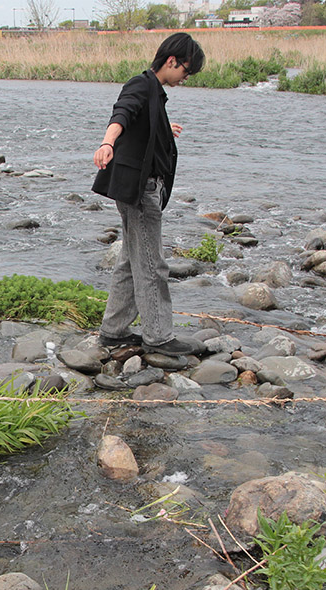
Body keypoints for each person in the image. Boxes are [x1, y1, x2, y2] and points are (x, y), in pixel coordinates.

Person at [92, 32, 205, 357]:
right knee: (153, 264)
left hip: (136, 188)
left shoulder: (154, 92)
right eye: (186, 70)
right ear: (171, 61)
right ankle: (159, 337)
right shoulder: (140, 85)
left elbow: (138, 124)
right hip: (140, 191)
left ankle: (113, 332)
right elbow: (121, 115)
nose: (185, 77)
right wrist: (107, 143)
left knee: (130, 262)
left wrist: (162, 130)